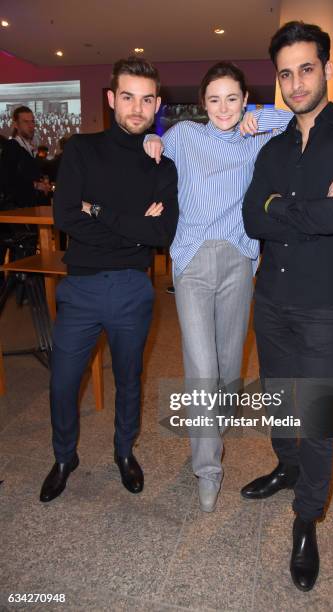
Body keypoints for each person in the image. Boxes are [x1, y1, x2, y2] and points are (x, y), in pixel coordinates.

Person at [241, 21, 333, 591]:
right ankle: (287, 463)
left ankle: (307, 519)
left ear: (327, 67)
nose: (296, 82)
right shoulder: (272, 147)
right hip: (270, 297)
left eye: (306, 68)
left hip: (323, 304)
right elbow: (253, 217)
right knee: (278, 395)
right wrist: (301, 206)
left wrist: (283, 208)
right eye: (285, 72)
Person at [144, 61, 292, 512]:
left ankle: (216, 416)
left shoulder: (257, 135)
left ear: (245, 99)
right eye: (214, 99)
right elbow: (151, 145)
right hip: (191, 259)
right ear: (202, 103)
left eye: (233, 98)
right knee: (202, 366)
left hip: (241, 259)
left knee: (229, 362)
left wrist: (261, 116)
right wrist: (151, 139)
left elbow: (304, 117)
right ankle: (207, 467)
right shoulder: (187, 137)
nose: (223, 108)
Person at [39, 58, 178, 503]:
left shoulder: (162, 166)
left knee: (129, 379)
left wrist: (96, 210)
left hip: (133, 288)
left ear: (157, 104)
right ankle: (65, 456)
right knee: (61, 381)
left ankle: (124, 452)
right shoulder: (80, 149)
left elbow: (160, 234)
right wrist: (132, 227)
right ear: (111, 98)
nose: (137, 108)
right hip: (80, 287)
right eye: (128, 96)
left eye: (146, 99)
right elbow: (65, 217)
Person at [1, 106, 51, 207]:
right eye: (25, 122)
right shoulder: (11, 147)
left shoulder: (31, 149)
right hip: (18, 212)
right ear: (16, 125)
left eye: (32, 122)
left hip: (34, 209)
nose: (30, 125)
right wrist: (36, 185)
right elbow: (7, 180)